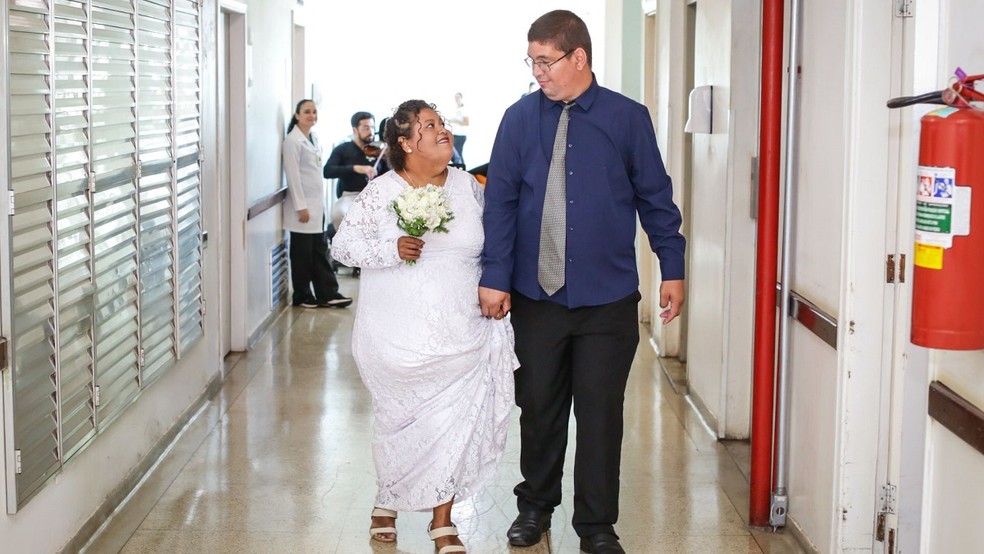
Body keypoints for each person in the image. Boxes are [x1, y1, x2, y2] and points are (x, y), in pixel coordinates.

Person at [479, 10, 686, 554]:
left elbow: (655, 199)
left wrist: (673, 265)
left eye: (546, 61)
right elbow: (499, 203)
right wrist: (494, 276)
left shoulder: (626, 118)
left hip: (607, 299)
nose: (538, 72)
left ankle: (596, 527)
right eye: (532, 61)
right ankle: (535, 508)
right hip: (535, 297)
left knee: (600, 416)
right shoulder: (518, 119)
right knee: (540, 409)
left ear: (579, 58)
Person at [331, 99, 518, 554]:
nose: (442, 131)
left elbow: (494, 241)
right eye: (429, 126)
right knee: (400, 421)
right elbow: (344, 246)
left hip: (462, 331)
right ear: (405, 142)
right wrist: (393, 246)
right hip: (396, 335)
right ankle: (388, 497)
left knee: (452, 425)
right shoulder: (383, 190)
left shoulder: (469, 187)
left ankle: (442, 520)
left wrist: (500, 282)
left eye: (442, 124)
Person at [281, 100, 353, 309]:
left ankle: (327, 293)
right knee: (302, 255)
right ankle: (302, 295)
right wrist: (300, 207)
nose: (311, 115)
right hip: (302, 210)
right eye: (306, 112)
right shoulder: (292, 141)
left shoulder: (313, 138)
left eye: (314, 111)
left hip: (315, 206)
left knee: (319, 251)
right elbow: (293, 177)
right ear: (297, 115)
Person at [447, 92, 469, 165]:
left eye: (458, 97)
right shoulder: (456, 109)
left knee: (457, 155)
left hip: (460, 135)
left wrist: (455, 121)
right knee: (456, 155)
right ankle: (461, 169)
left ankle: (462, 170)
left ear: (461, 98)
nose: (456, 99)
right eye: (455, 97)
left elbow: (466, 122)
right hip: (455, 134)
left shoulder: (464, 109)